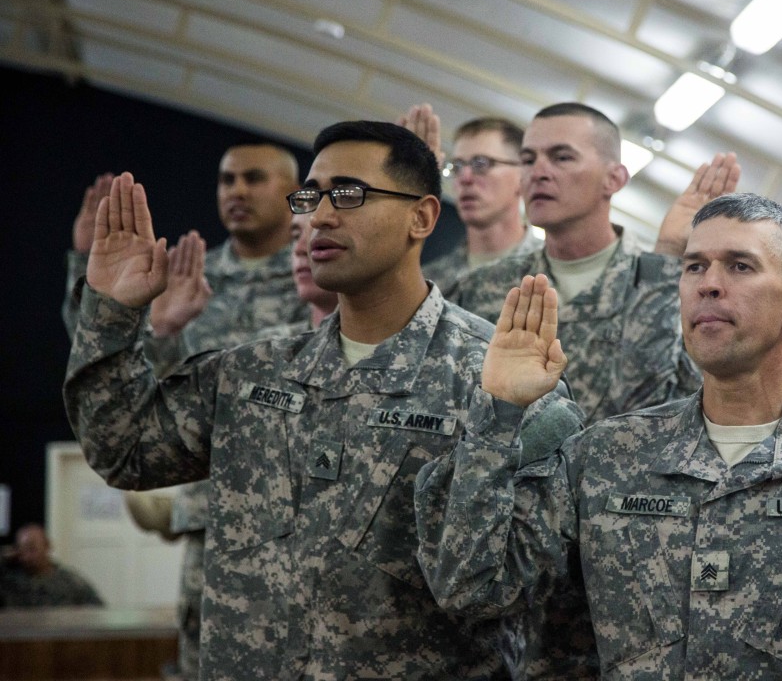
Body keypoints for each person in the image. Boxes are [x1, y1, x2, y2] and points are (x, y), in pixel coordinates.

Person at [63, 121, 579, 679]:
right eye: (311, 197)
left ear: (423, 217)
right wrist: (111, 312)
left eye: (350, 194)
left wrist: (495, 423)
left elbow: (501, 593)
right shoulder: (253, 373)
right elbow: (123, 449)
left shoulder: (503, 380)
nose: (321, 217)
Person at [416, 193, 782, 679]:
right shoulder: (606, 455)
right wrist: (499, 415)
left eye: (739, 266)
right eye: (693, 267)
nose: (709, 285)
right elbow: (476, 591)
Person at [63, 144, 308, 680]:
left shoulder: (313, 276)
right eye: (226, 180)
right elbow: (115, 381)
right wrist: (154, 323)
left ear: (294, 194)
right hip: (214, 514)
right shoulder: (188, 275)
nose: (236, 191)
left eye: (253, 179)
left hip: (305, 513)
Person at [451, 102, 738, 427]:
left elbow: (664, 411)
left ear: (614, 178)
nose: (538, 173)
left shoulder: (667, 286)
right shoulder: (482, 289)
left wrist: (670, 252)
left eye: (562, 157)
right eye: (528, 159)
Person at [423, 117, 543, 292]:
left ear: (523, 175)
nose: (465, 178)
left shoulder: (550, 276)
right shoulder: (428, 283)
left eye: (481, 164)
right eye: (457, 166)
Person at [0, 524, 103, 608]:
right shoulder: (9, 581)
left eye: (31, 548)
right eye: (21, 550)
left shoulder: (69, 581)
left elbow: (98, 609)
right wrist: (4, 555)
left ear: (47, 546)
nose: (26, 556)